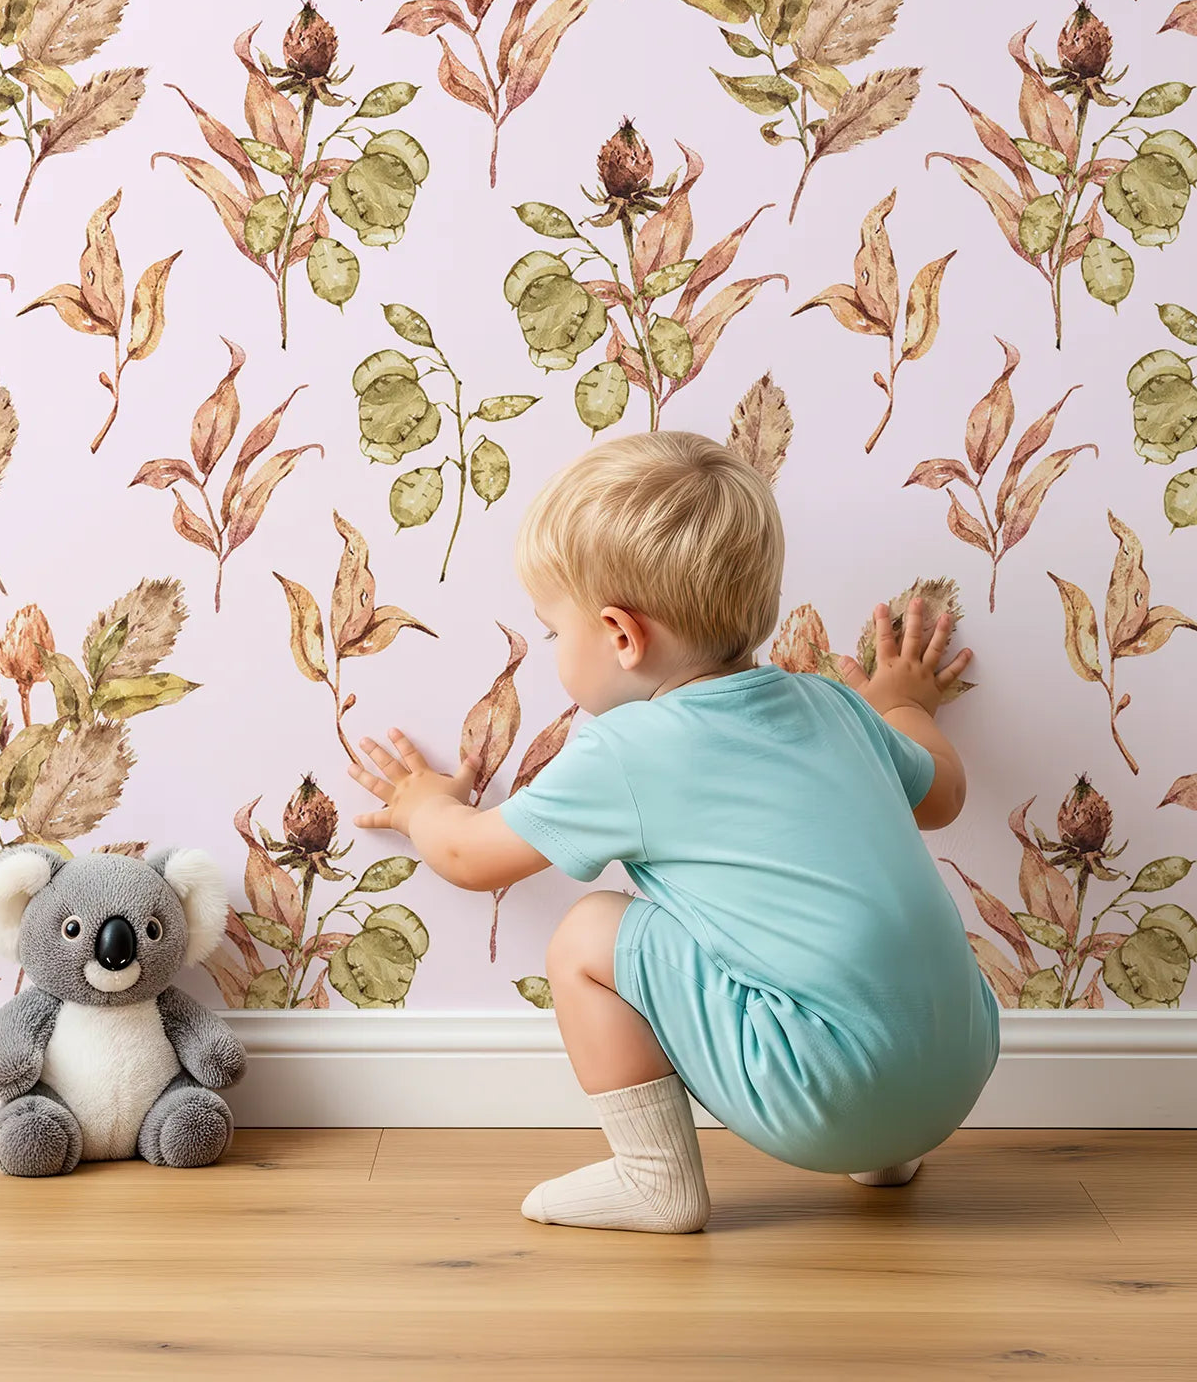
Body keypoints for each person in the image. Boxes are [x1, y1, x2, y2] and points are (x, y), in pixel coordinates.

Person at [346, 430, 1000, 1234]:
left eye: (555, 632)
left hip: (824, 1095)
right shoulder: (833, 706)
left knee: (589, 932)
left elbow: (469, 856)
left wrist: (420, 804)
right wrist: (902, 702)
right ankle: (885, 1151)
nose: (555, 649)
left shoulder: (629, 748)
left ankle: (655, 1178)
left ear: (621, 636)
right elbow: (945, 797)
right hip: (954, 1076)